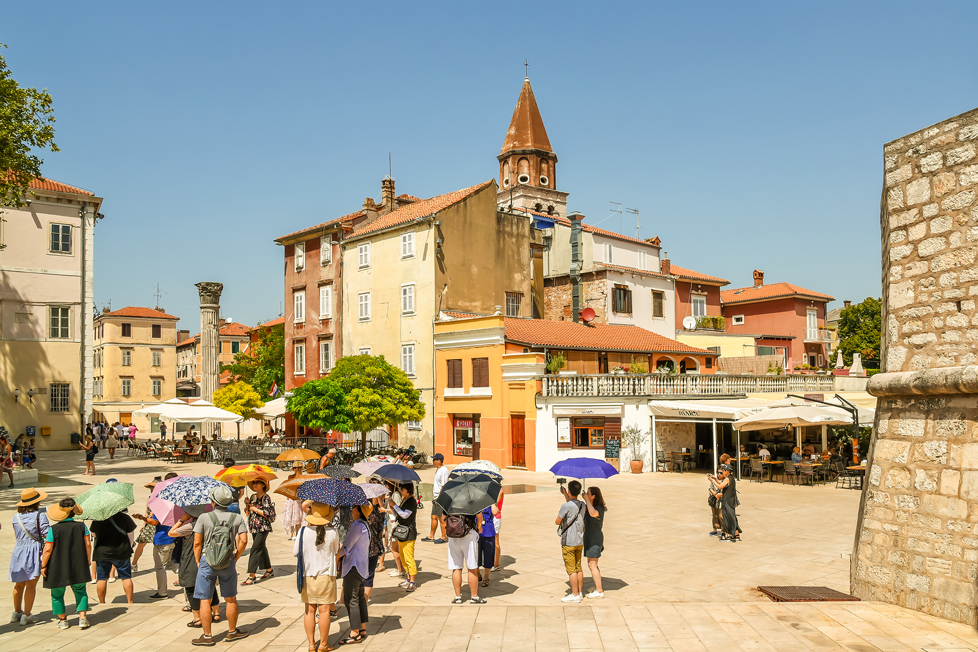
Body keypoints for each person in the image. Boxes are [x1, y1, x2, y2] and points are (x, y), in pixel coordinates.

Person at [192, 484, 250, 646]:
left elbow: (197, 543)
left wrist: (198, 561)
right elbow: (244, 541)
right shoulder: (237, 518)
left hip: (207, 561)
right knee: (231, 599)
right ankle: (232, 631)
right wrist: (236, 557)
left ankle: (208, 636)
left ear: (213, 502)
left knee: (205, 599)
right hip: (228, 561)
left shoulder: (204, 517)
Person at [294, 502, 339, 652]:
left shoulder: (302, 532)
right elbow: (336, 550)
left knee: (309, 610)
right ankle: (323, 645)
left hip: (308, 574)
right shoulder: (332, 532)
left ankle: (311, 644)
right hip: (326, 575)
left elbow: (296, 552)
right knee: (325, 610)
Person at [41, 498, 91, 630]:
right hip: (78, 564)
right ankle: (82, 618)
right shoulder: (82, 526)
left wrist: (43, 565)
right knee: (81, 591)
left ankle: (62, 620)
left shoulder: (54, 529)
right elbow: (88, 544)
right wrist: (88, 559)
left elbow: (47, 549)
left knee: (57, 594)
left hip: (57, 566)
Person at [168, 514, 220, 628]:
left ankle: (197, 618)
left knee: (191, 587)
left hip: (192, 560)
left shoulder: (190, 526)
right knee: (210, 585)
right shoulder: (211, 524)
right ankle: (216, 613)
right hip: (208, 558)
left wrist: (181, 519)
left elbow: (171, 533)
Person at [9, 488, 49, 626]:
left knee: (19, 584)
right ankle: (27, 615)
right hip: (34, 551)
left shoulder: (16, 516)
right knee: (31, 585)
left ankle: (16, 612)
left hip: (18, 551)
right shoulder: (40, 515)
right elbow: (46, 533)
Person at [337, 503, 371, 645]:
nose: (351, 510)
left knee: (351, 599)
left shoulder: (357, 526)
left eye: (354, 507)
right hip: (362, 567)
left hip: (353, 567)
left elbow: (346, 547)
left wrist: (337, 557)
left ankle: (354, 633)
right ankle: (361, 628)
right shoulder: (365, 524)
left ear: (359, 510)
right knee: (360, 598)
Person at [90, 508, 137, 604]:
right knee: (126, 577)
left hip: (102, 552)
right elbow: (130, 535)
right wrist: (130, 546)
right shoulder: (125, 518)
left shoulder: (98, 519)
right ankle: (130, 601)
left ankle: (102, 602)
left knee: (102, 579)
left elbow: (94, 534)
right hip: (121, 551)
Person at [133, 497, 175, 599]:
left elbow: (154, 522)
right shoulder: (173, 507)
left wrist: (141, 517)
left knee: (160, 567)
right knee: (172, 563)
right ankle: (193, 579)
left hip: (162, 541)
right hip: (172, 540)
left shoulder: (161, 508)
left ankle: (162, 592)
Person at [556, 480, 586, 603]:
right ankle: (579, 592)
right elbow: (573, 505)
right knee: (578, 567)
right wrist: (565, 495)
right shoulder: (583, 505)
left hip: (568, 541)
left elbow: (558, 521)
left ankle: (574, 595)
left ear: (569, 490)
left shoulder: (566, 506)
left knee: (571, 569)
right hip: (579, 540)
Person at [242, 479, 275, 585]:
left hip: (263, 527)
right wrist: (247, 505)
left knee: (255, 549)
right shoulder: (253, 497)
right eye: (253, 483)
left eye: (257, 483)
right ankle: (269, 570)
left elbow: (267, 513)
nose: (254, 485)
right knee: (261, 547)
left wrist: (254, 508)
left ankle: (252, 575)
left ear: (263, 485)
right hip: (254, 526)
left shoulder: (266, 497)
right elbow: (247, 512)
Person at [447, 511, 484, 604]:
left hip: (453, 535)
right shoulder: (471, 499)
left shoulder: (450, 500)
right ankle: (474, 596)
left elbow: (443, 519)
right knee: (472, 568)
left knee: (456, 568)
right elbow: (479, 516)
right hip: (468, 534)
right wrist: (479, 528)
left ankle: (458, 596)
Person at [386, 483, 418, 592]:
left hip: (409, 533)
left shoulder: (412, 501)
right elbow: (398, 514)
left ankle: (412, 582)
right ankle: (408, 579)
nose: (400, 491)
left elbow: (405, 515)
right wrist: (393, 507)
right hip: (402, 532)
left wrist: (395, 505)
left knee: (409, 558)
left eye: (402, 489)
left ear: (407, 490)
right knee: (404, 558)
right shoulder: (405, 500)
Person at [582, 487, 607, 599]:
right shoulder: (589, 506)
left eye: (589, 493)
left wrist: (586, 500)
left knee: (592, 565)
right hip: (589, 538)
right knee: (592, 564)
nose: (587, 494)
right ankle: (598, 585)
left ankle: (599, 591)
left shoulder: (598, 508)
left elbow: (593, 514)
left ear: (594, 496)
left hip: (594, 540)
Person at [364, 493, 386, 603]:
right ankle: (364, 600)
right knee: (368, 576)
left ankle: (363, 600)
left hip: (363, 549)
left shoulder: (359, 515)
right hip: (372, 548)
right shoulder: (377, 514)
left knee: (361, 575)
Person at [423, 453, 448, 544]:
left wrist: (441, 497)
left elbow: (444, 485)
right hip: (435, 497)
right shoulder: (438, 470)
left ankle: (444, 536)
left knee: (442, 518)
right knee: (433, 516)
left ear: (439, 461)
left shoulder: (444, 470)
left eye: (434, 460)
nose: (433, 461)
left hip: (440, 498)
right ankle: (431, 535)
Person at [713, 464, 741, 542]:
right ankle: (736, 534)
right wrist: (715, 479)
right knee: (732, 517)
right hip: (731, 501)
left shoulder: (728, 479)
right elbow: (721, 483)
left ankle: (728, 535)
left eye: (724, 470)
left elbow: (720, 486)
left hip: (727, 501)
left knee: (727, 518)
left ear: (727, 471)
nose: (722, 472)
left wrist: (713, 481)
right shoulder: (731, 478)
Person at [477, 503, 498, 590]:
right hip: (476, 529)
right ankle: (477, 573)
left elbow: (495, 512)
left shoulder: (490, 500)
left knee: (489, 554)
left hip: (488, 530)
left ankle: (486, 576)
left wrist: (492, 503)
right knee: (475, 554)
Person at [282, 463, 305, 541]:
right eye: (295, 467)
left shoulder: (303, 477)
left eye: (298, 467)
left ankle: (298, 532)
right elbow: (290, 486)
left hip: (299, 499)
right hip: (292, 498)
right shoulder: (291, 477)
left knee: (298, 517)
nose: (296, 469)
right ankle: (292, 533)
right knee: (291, 516)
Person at [493, 492, 503, 570]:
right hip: (490, 518)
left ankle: (496, 564)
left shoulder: (500, 492)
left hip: (496, 517)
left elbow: (494, 503)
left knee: (495, 540)